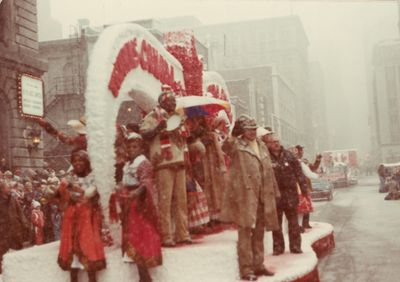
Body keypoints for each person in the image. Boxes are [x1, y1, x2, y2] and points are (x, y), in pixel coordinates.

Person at [221, 115, 280, 281]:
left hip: (263, 195)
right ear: (242, 130)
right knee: (245, 233)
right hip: (245, 196)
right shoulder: (236, 145)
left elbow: (269, 171)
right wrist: (233, 133)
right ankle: (246, 269)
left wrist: (275, 192)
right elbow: (225, 147)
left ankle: (259, 265)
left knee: (259, 233)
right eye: (248, 129)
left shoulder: (262, 145)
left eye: (254, 129)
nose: (252, 132)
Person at [140, 89, 191, 247]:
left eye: (174, 101)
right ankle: (166, 236)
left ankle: (183, 234)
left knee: (181, 201)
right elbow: (143, 134)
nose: (173, 103)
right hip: (163, 162)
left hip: (179, 161)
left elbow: (185, 139)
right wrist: (157, 128)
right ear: (162, 102)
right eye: (170, 101)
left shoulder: (178, 118)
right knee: (165, 202)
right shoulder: (153, 116)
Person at [56, 150, 106, 282]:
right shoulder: (69, 178)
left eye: (81, 160)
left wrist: (82, 192)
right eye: (75, 160)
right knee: (73, 253)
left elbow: (93, 195)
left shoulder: (93, 178)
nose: (78, 163)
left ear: (86, 162)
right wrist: (63, 190)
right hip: (72, 218)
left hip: (87, 219)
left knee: (88, 249)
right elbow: (60, 197)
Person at [119, 132, 162, 282]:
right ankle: (142, 275)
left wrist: (136, 193)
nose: (131, 149)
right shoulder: (127, 165)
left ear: (141, 148)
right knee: (133, 237)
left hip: (140, 205)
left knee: (140, 238)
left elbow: (146, 182)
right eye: (129, 146)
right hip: (129, 205)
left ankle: (145, 276)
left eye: (134, 146)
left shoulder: (144, 163)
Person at [266, 136, 309, 255]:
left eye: (277, 141)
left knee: (293, 222)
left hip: (290, 194)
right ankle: (278, 247)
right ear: (268, 144)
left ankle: (295, 246)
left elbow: (299, 173)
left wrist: (304, 188)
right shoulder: (266, 157)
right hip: (275, 195)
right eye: (273, 142)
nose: (276, 144)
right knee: (277, 224)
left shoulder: (289, 156)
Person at [0, 180, 28, 273]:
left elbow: (20, 212)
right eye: (7, 187)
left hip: (16, 229)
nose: (10, 189)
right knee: (2, 253)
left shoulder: (13, 199)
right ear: (2, 189)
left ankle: (17, 271)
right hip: (3, 231)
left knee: (18, 250)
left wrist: (24, 223)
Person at [295, 145, 321, 230]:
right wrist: (318, 176)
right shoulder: (300, 162)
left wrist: (318, 160)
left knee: (303, 207)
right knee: (302, 207)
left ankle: (303, 224)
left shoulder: (303, 161)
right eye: (301, 151)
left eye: (302, 151)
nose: (302, 152)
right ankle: (300, 226)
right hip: (299, 187)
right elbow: (309, 173)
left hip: (302, 186)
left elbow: (313, 168)